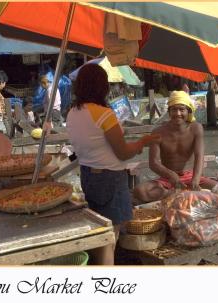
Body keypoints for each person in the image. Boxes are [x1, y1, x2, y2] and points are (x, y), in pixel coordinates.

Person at [66, 64, 159, 265]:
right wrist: (143, 141)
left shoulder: (72, 112)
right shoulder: (104, 114)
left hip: (88, 176)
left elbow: (95, 141)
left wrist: (124, 138)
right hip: (110, 178)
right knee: (110, 236)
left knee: (98, 231)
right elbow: (123, 152)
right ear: (102, 87)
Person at [133, 90, 218, 203]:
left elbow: (199, 156)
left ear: (188, 111)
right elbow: (153, 163)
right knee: (140, 191)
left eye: (182, 109)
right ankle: (172, 194)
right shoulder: (157, 132)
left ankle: (182, 193)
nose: (178, 113)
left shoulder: (196, 128)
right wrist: (171, 175)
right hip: (168, 180)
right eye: (174, 109)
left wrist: (195, 180)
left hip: (191, 176)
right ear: (169, 112)